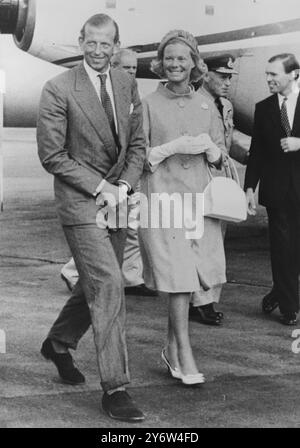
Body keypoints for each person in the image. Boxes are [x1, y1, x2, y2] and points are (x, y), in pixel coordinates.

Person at [37, 14, 146, 422]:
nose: (99, 51)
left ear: (117, 46)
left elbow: (137, 144)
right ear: (80, 40)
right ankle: (116, 387)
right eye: (92, 43)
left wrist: (126, 187)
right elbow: (52, 156)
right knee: (110, 283)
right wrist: (103, 188)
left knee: (95, 285)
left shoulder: (125, 82)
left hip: (118, 198)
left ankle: (60, 342)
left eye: (107, 44)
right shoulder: (58, 88)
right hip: (82, 201)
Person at [139, 29, 226, 383]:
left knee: (192, 276)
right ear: (161, 63)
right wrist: (168, 148)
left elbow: (222, 156)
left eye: (182, 58)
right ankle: (185, 354)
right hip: (163, 200)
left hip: (199, 201)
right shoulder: (147, 103)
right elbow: (138, 156)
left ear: (194, 63)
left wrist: (210, 148)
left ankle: (171, 348)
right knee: (178, 277)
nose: (175, 64)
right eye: (169, 58)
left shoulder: (207, 103)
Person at [61, 47, 155, 296]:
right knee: (103, 226)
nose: (131, 72)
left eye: (135, 68)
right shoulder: (104, 96)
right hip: (111, 177)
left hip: (130, 175)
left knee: (130, 227)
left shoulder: (133, 94)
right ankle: (73, 272)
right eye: (126, 68)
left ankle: (131, 277)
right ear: (113, 66)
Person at [189, 54, 251, 325]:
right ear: (205, 73)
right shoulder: (191, 103)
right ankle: (200, 301)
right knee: (201, 243)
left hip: (220, 181)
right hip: (197, 180)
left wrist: (256, 154)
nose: (227, 82)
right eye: (222, 76)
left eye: (230, 77)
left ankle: (207, 298)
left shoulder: (224, 105)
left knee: (215, 243)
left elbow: (229, 138)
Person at [245, 53, 300, 326]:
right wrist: (248, 188)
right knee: (281, 247)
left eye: (273, 74)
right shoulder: (264, 108)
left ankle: (280, 291)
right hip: (277, 190)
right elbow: (257, 153)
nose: (268, 79)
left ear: (293, 74)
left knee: (296, 249)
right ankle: (290, 307)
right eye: (266, 74)